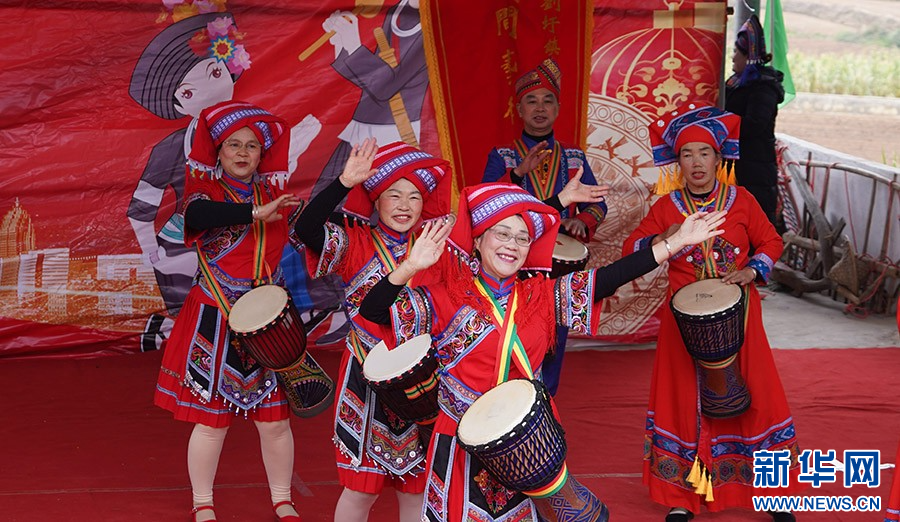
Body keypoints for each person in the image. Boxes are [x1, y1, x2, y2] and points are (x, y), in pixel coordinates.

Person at [358, 182, 724, 521]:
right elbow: (372, 312)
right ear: (478, 241)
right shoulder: (446, 297)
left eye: (522, 238)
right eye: (502, 233)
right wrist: (411, 266)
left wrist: (676, 242)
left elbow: (609, 277)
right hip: (460, 435)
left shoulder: (542, 296)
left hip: (527, 440)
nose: (512, 245)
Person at [624, 104, 803, 521]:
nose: (696, 162)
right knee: (683, 400)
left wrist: (752, 270)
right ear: (678, 163)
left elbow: (771, 242)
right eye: (687, 154)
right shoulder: (666, 207)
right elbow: (631, 249)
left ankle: (775, 495)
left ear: (719, 159)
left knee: (756, 396)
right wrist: (665, 238)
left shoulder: (742, 201)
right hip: (682, 322)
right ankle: (682, 497)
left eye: (704, 153)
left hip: (739, 316)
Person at [153, 100, 312, 522]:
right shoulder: (205, 193)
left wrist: (345, 184)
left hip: (268, 323)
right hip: (216, 317)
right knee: (212, 422)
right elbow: (199, 215)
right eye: (233, 144)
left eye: (252, 146)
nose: (242, 153)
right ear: (218, 152)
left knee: (275, 421)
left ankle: (283, 499)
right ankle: (203, 501)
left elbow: (311, 228)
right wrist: (253, 213)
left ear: (262, 155)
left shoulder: (275, 197)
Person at [293, 141, 451, 522]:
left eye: (414, 196)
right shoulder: (356, 243)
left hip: (422, 385)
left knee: (417, 491)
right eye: (394, 194)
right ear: (376, 200)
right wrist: (345, 183)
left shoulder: (438, 251)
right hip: (366, 380)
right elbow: (305, 228)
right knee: (360, 490)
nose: (404, 205)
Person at [483, 57, 609, 396]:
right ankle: (505, 403)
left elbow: (598, 205)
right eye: (531, 101)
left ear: (558, 109)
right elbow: (486, 203)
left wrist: (581, 220)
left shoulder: (575, 158)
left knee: (554, 337)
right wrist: (517, 173)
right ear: (519, 110)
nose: (540, 108)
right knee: (508, 335)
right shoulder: (502, 156)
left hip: (557, 266)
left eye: (547, 100)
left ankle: (544, 404)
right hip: (510, 263)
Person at [725, 14, 785, 229]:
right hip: (737, 165)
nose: (732, 57)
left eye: (736, 52)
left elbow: (755, 124)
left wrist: (721, 125)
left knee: (755, 221)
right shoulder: (735, 83)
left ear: (748, 57)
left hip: (754, 168)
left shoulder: (763, 87)